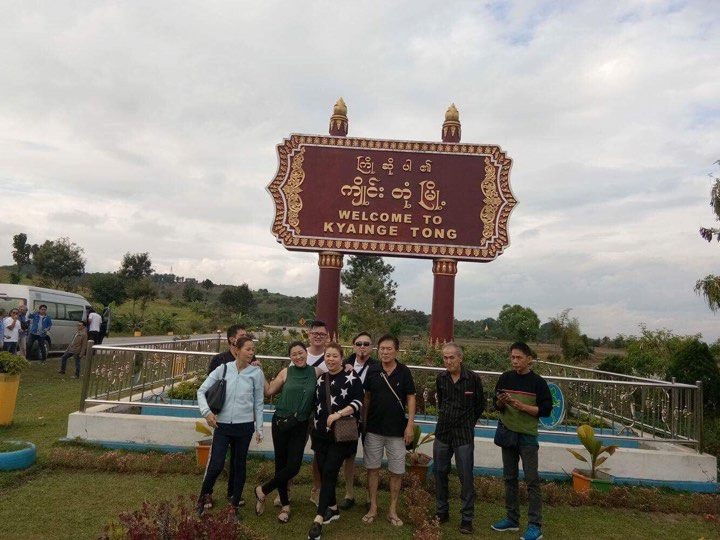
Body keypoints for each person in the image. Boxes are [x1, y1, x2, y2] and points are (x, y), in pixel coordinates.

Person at [255, 341, 325, 523]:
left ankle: (263, 490)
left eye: (301, 352)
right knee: (281, 464)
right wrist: (260, 370)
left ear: (306, 353)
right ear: (290, 357)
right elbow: (269, 390)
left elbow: (335, 371)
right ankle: (285, 506)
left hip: (301, 424)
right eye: (294, 354)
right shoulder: (286, 372)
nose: (298, 356)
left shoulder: (316, 371)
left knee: (293, 466)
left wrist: (348, 366)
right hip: (280, 421)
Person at [196, 336, 265, 519]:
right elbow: (201, 391)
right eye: (248, 349)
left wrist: (259, 428)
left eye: (253, 349)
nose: (251, 352)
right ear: (237, 350)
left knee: (239, 466)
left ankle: (234, 507)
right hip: (222, 425)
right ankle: (202, 497)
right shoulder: (223, 369)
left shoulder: (256, 373)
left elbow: (259, 402)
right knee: (216, 465)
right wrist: (206, 412)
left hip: (244, 427)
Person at [491, 342, 552, 540]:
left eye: (519, 357)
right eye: (512, 357)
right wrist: (502, 402)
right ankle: (512, 519)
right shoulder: (505, 378)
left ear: (529, 359)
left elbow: (546, 410)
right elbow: (496, 405)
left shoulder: (538, 383)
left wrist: (522, 406)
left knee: (532, 480)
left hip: (527, 436)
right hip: (508, 433)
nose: (515, 361)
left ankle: (535, 525)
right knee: (509, 478)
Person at [307, 342, 364, 540]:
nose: (330, 359)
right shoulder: (321, 378)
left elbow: (358, 401)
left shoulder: (351, 376)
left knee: (330, 471)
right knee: (324, 470)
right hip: (321, 433)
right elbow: (316, 403)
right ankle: (333, 508)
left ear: (342, 357)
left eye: (334, 356)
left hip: (340, 435)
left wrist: (339, 414)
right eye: (327, 356)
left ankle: (318, 518)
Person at [362, 334, 416, 527]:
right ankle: (373, 507)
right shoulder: (372, 369)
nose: (385, 352)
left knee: (397, 471)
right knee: (372, 469)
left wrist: (410, 425)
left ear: (396, 351)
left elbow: (411, 397)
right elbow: (367, 397)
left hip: (397, 431)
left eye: (389, 349)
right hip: (374, 429)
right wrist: (363, 423)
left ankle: (392, 509)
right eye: (382, 349)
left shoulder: (404, 371)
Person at [433, 342, 485, 534]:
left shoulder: (473, 379)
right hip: (443, 433)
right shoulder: (441, 378)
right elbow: (441, 401)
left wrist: (468, 423)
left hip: (463, 435)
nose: (448, 361)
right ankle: (442, 512)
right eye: (445, 358)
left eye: (451, 357)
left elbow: (480, 405)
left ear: (460, 358)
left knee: (466, 476)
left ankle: (467, 518)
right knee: (439, 472)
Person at [205, 324, 249, 509]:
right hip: (221, 418)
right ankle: (207, 493)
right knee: (216, 460)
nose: (246, 338)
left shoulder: (250, 359)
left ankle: (233, 493)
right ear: (232, 339)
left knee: (238, 460)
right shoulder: (219, 360)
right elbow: (209, 387)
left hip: (241, 420)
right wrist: (209, 412)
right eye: (242, 335)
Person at [337, 331, 378, 510]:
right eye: (359, 343)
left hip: (371, 417)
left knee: (371, 458)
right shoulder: (344, 363)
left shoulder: (377, 367)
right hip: (349, 418)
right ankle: (349, 493)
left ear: (371, 347)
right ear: (353, 346)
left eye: (366, 344)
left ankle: (370, 496)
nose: (362, 347)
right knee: (349, 456)